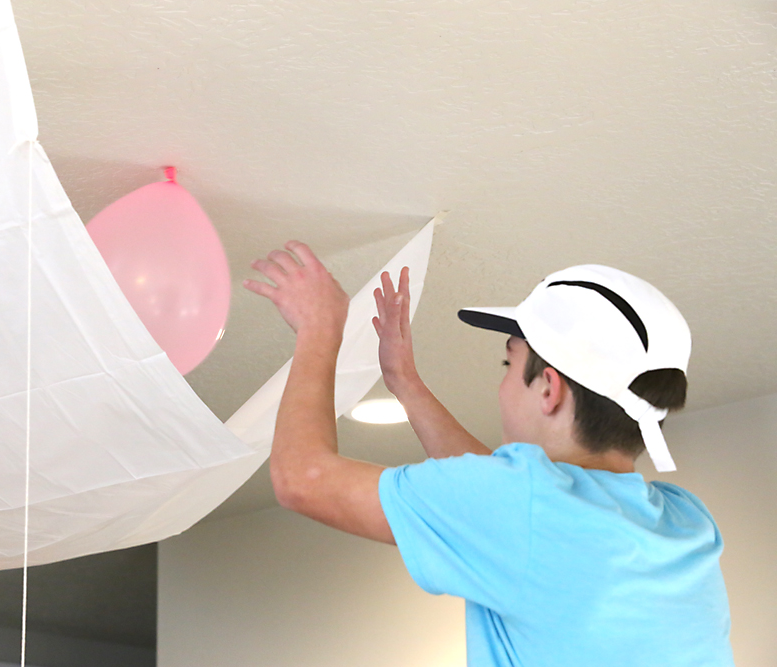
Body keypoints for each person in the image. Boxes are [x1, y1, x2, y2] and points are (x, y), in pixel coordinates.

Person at [244, 241, 734, 666]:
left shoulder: (520, 504)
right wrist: (405, 385)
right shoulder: (686, 522)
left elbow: (302, 478)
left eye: (508, 362)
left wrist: (319, 329)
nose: (501, 382)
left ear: (549, 390)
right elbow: (506, 500)